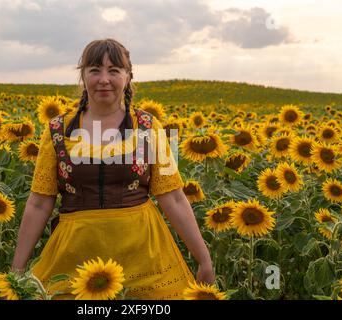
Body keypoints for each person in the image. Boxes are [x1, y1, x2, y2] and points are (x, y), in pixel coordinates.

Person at [11, 38, 214, 300]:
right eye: (95, 70)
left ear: (128, 77)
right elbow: (39, 202)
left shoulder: (149, 126)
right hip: (75, 257)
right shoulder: (57, 129)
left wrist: (204, 259)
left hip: (144, 258)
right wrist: (16, 270)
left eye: (114, 71)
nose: (104, 79)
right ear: (83, 76)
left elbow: (173, 196)